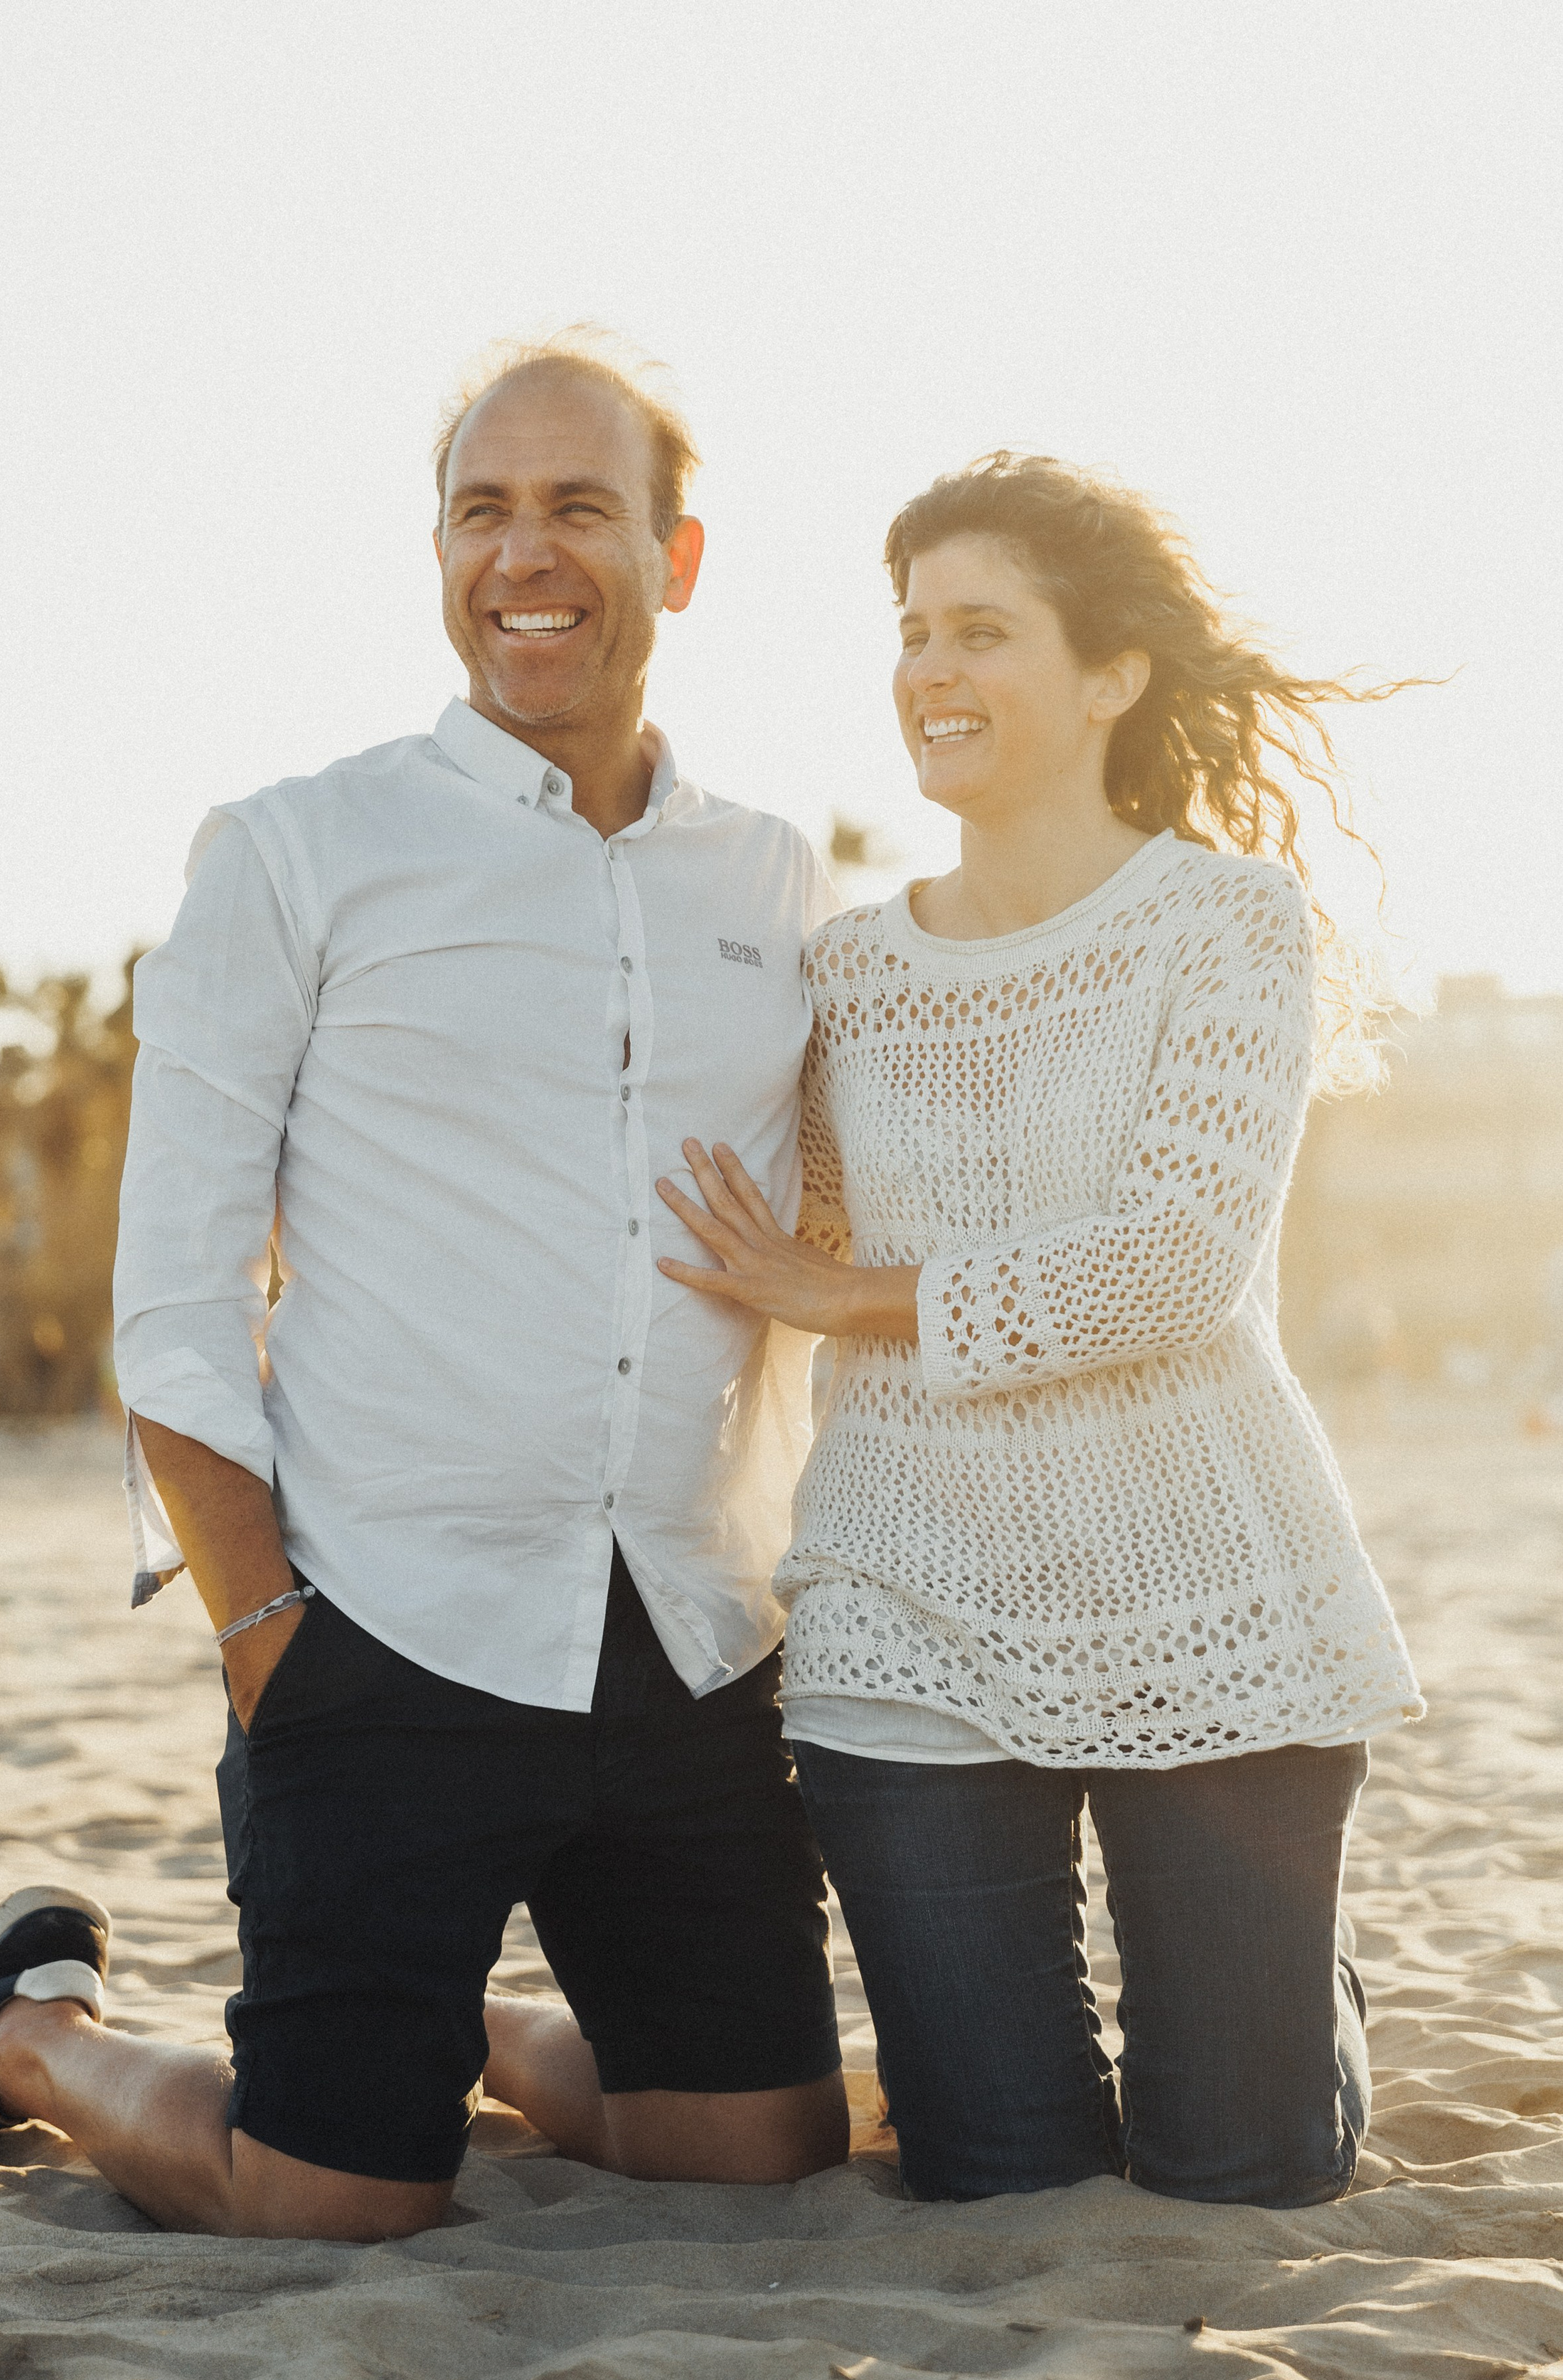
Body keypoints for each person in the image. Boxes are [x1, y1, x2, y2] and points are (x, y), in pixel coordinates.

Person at [0, 335, 849, 2230]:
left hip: (690, 1639)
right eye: (483, 510)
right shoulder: (302, 851)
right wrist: (265, 1642)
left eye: (578, 508)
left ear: (679, 557)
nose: (524, 555)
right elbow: (174, 1295)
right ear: (440, 551)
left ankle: (437, 2019)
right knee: (324, 2201)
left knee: (754, 2154)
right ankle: (21, 2040)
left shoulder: (775, 883)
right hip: (380, 1631)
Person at [656, 452, 1424, 2209]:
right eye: (911, 632)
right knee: (1001, 2177)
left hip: (1211, 1601)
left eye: (979, 631)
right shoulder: (842, 972)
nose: (928, 669)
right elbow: (794, 1232)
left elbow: (1173, 1263)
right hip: (905, 1614)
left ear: (1110, 674)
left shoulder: (1225, 925)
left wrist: (853, 1298)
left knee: (1237, 2173)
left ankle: (1298, 1998)